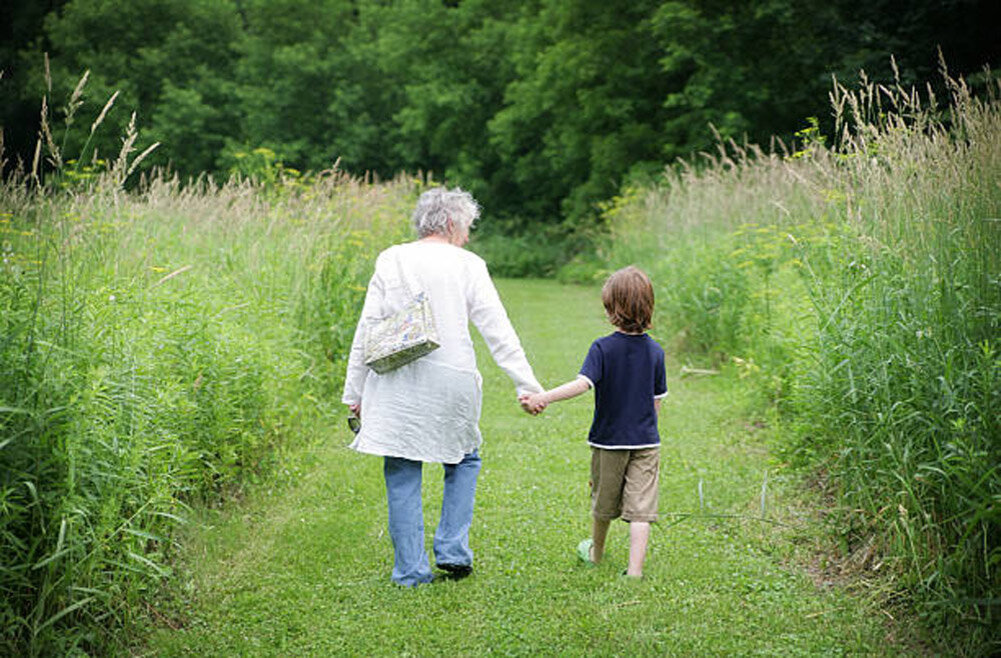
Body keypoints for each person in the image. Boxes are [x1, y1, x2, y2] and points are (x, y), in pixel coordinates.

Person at [342, 186, 544, 587]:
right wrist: (527, 383)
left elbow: (367, 329)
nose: (468, 236)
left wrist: (355, 392)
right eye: (467, 226)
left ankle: (411, 572)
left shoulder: (391, 258)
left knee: (401, 468)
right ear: (451, 223)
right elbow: (497, 330)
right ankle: (452, 550)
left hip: (396, 378)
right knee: (464, 458)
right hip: (453, 378)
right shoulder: (468, 264)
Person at [520, 266, 666, 578]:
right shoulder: (656, 351)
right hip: (646, 442)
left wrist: (543, 396)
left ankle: (596, 554)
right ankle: (635, 571)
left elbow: (583, 384)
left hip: (609, 441)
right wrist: (645, 427)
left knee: (603, 503)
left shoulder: (603, 347)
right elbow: (656, 402)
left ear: (613, 309)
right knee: (641, 510)